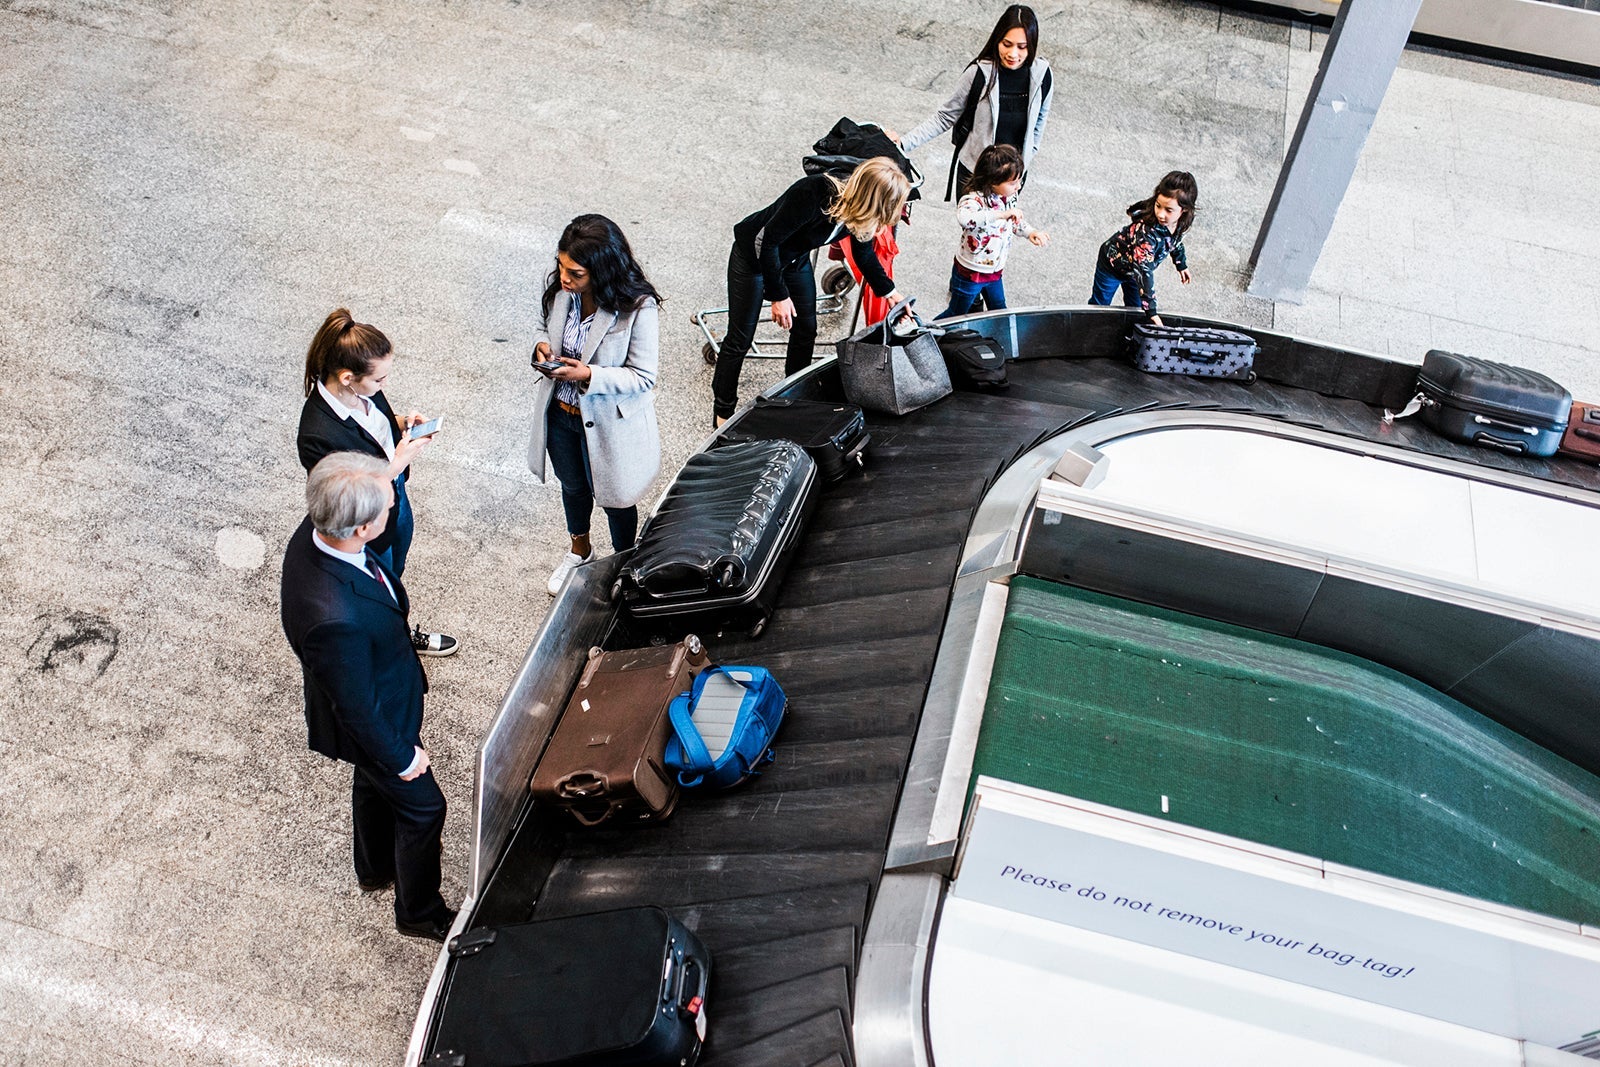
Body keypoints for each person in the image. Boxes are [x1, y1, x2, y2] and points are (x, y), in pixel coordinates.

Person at [279, 452, 456, 942]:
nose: (394, 503)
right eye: (387, 504)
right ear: (359, 530)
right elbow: (355, 707)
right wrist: (401, 756)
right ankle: (418, 912)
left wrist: (393, 465)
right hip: (378, 717)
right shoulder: (332, 616)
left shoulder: (321, 528)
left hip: (379, 686)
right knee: (425, 809)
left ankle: (375, 867)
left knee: (370, 782)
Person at [296, 308, 456, 656]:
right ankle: (391, 643)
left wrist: (402, 423)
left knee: (393, 573)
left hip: (394, 498)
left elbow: (379, 419)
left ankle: (395, 629)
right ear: (348, 377)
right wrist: (398, 462)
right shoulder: (317, 434)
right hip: (367, 519)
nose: (384, 386)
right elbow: (345, 496)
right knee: (378, 584)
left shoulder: (364, 391)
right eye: (380, 380)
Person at [712, 156, 912, 425]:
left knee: (806, 328)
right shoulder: (814, 193)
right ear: (872, 200)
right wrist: (778, 295)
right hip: (754, 258)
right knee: (740, 338)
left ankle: (794, 398)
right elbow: (766, 241)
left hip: (794, 257)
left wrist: (890, 293)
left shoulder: (859, 213)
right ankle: (723, 411)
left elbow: (863, 254)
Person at [528, 214, 663, 596]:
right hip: (561, 412)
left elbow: (643, 376)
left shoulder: (637, 306)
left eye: (575, 273)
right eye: (561, 266)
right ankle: (579, 551)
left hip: (608, 420)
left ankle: (625, 563)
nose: (564, 278)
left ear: (602, 270)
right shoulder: (560, 289)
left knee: (616, 498)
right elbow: (544, 323)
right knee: (572, 487)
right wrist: (541, 345)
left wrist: (588, 374)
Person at [894, 5, 1054, 201]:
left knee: (1002, 229)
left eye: (1022, 47)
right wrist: (903, 143)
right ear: (997, 40)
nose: (1013, 54)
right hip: (975, 175)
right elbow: (944, 117)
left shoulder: (1042, 76)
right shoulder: (978, 74)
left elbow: (1039, 124)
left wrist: (1025, 160)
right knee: (974, 230)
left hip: (1011, 179)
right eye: (1007, 44)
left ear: (1032, 44)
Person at [938, 144, 1050, 319]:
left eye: (1019, 181)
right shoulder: (973, 200)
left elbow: (1015, 221)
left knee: (1000, 313)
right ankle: (924, 335)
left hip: (995, 271)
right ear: (992, 180)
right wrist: (1002, 214)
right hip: (970, 272)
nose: (1018, 186)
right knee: (956, 314)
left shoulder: (1009, 197)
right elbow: (965, 218)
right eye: (1013, 182)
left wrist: (1030, 232)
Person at [1088, 170, 1198, 325]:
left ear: (1184, 209)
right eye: (1158, 206)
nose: (1160, 214)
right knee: (1100, 306)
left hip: (1134, 271)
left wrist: (1181, 264)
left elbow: (1175, 242)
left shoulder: (1179, 222)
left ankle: (1129, 335)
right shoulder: (1146, 232)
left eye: (1168, 210)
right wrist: (1152, 311)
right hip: (1112, 266)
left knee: (1136, 310)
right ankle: (1089, 329)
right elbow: (1144, 271)